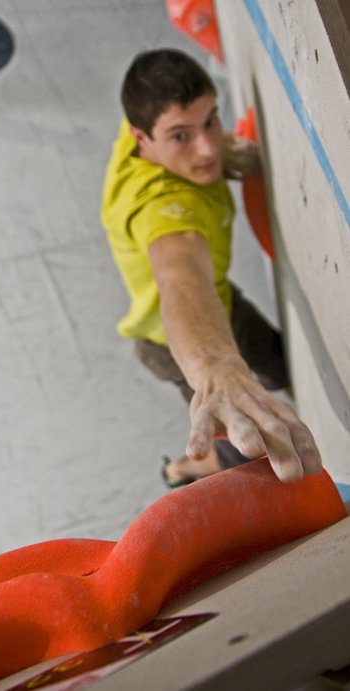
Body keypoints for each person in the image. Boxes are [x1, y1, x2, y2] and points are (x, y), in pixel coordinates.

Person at [101, 48, 322, 485]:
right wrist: (215, 365)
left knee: (277, 360)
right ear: (141, 137)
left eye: (211, 121)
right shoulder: (166, 207)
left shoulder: (144, 128)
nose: (205, 149)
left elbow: (195, 136)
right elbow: (179, 277)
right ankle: (184, 467)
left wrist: (216, 146)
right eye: (181, 136)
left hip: (221, 301)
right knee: (239, 444)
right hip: (172, 341)